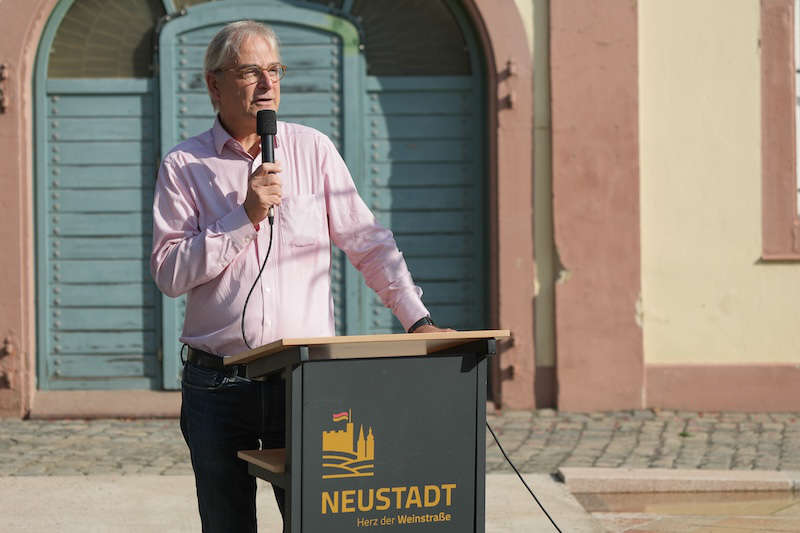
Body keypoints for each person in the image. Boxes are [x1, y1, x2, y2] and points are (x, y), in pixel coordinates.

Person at [150, 20, 449, 533]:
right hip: (218, 383)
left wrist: (417, 321)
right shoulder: (184, 164)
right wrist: (242, 216)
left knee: (317, 523)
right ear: (214, 84)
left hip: (304, 379)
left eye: (274, 70)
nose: (267, 84)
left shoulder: (313, 150)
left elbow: (368, 244)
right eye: (250, 72)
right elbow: (169, 273)